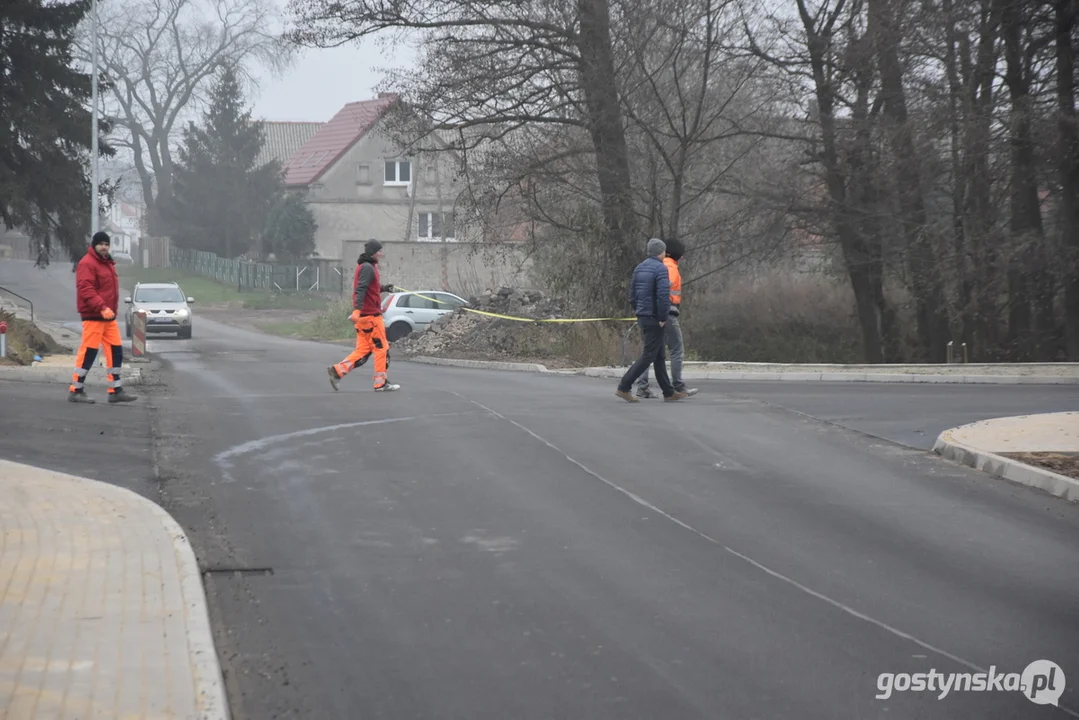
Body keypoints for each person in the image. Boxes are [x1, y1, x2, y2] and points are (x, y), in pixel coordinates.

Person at [616, 238, 688, 403]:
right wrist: (662, 317)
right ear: (660, 252)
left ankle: (668, 392)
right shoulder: (660, 269)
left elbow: (632, 295)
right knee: (649, 355)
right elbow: (663, 296)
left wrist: (638, 311)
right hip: (655, 317)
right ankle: (624, 386)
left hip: (643, 315)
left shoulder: (639, 268)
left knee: (659, 355)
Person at [69, 231, 137, 404]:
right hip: (94, 315)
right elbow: (86, 289)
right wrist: (102, 307)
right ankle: (76, 390)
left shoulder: (107, 263)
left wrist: (108, 310)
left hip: (108, 316)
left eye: (107, 244)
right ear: (94, 245)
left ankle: (115, 390)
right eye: (101, 244)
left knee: (115, 350)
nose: (104, 247)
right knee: (89, 351)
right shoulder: (87, 263)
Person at [327, 239, 401, 392]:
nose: (381, 254)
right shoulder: (368, 268)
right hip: (371, 318)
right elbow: (360, 289)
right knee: (382, 349)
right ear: (374, 252)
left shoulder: (366, 266)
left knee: (363, 351)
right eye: (380, 251)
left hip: (364, 319)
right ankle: (381, 383)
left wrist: (384, 288)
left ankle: (337, 371)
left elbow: (369, 288)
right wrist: (357, 309)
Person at [635, 237, 698, 398]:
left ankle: (643, 387)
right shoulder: (669, 267)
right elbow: (662, 292)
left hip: (655, 313)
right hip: (666, 314)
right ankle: (678, 385)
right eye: (681, 254)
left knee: (652, 351)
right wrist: (662, 314)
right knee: (677, 349)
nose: (683, 258)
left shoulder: (660, 265)